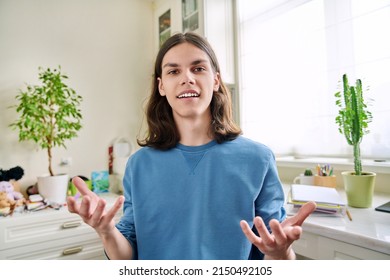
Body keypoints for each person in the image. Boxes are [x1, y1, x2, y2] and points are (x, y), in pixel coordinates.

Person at [67, 32, 316, 260]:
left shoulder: (258, 158)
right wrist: (106, 231)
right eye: (173, 72)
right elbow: (127, 257)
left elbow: (274, 248)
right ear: (161, 86)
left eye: (198, 68)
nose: (187, 78)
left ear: (216, 80)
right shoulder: (139, 164)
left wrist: (283, 253)